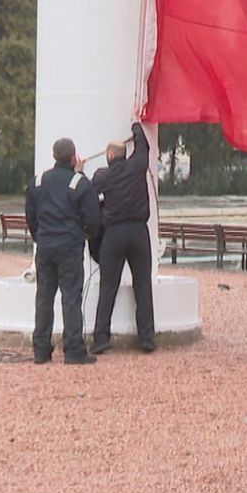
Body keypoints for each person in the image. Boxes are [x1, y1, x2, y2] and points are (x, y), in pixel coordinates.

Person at [25, 137, 102, 365]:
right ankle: (73, 350)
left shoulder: (38, 181)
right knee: (70, 298)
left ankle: (41, 349)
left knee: (44, 298)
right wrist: (86, 234)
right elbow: (92, 217)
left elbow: (30, 216)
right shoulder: (79, 183)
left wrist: (40, 236)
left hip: (46, 245)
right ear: (73, 157)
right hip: (69, 246)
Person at [90, 122, 156, 354]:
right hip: (138, 231)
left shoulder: (103, 176)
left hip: (114, 233)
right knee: (143, 285)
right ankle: (147, 338)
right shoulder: (137, 167)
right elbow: (143, 148)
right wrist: (136, 125)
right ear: (124, 154)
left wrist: (78, 171)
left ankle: (101, 338)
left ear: (109, 156)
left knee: (108, 286)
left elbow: (88, 193)